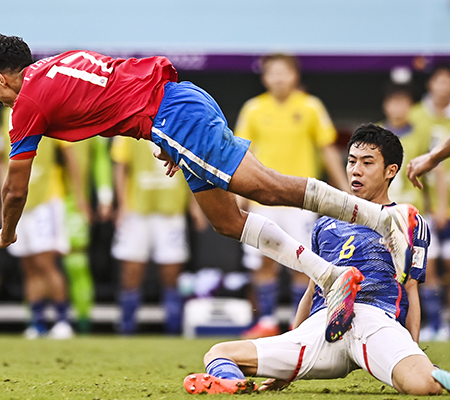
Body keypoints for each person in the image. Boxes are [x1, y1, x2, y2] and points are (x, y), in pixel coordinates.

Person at [0, 34, 417, 342]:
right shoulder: (61, 63)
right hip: (173, 110)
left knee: (265, 187)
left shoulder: (27, 100)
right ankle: (332, 276)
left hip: (173, 115)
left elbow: (16, 189)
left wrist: (8, 231)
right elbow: (121, 87)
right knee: (226, 221)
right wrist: (162, 138)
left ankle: (385, 219)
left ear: (1, 78)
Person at [183, 124, 450, 395]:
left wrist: (410, 348)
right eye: (351, 161)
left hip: (374, 321)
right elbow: (311, 291)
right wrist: (288, 358)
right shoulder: (325, 224)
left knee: (424, 385)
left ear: (390, 171)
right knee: (219, 353)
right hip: (321, 327)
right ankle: (233, 384)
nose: (356, 170)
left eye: (367, 163)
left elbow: (411, 290)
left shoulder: (405, 220)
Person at [235, 54, 348, 339]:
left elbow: (326, 148)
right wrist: (239, 195)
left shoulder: (310, 107)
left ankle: (303, 325)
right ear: (264, 77)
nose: (279, 78)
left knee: (304, 262)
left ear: (294, 75)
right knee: (264, 262)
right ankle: (267, 322)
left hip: (300, 200)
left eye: (284, 72)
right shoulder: (253, 108)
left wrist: (345, 190)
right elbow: (240, 153)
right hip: (262, 200)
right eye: (272, 73)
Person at [0, 107, 86, 339]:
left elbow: (70, 156)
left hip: (46, 199)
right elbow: (2, 159)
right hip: (19, 201)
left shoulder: (47, 110)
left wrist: (79, 195)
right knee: (28, 264)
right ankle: (37, 322)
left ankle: (62, 321)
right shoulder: (4, 117)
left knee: (46, 262)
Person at [111, 136, 207, 335]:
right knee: (131, 269)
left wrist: (194, 205)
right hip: (136, 209)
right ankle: (126, 328)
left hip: (171, 210)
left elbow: (193, 165)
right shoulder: (129, 126)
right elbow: (120, 165)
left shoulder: (179, 124)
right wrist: (121, 205)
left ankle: (174, 328)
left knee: (171, 270)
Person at [404, 66, 450, 340]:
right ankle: (435, 323)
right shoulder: (416, 118)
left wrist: (433, 158)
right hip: (426, 207)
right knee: (425, 267)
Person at [61, 137, 114, 334]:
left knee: (77, 263)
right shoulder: (27, 111)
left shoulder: (91, 111)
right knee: (35, 263)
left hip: (73, 202)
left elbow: (100, 158)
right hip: (39, 200)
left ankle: (82, 323)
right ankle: (39, 323)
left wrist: (105, 195)